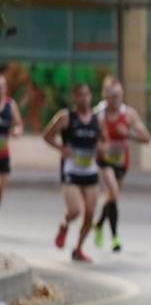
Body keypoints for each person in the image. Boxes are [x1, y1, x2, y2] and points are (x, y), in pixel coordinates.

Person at [42, 84, 106, 262]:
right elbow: (46, 135)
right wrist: (61, 148)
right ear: (74, 98)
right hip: (71, 172)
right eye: (80, 96)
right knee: (76, 210)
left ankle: (78, 248)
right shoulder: (65, 118)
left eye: (87, 95)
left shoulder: (96, 120)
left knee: (90, 214)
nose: (84, 99)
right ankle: (64, 225)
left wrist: (101, 149)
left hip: (90, 172)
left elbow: (104, 141)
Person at [93, 78, 151, 252]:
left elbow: (147, 138)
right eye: (111, 96)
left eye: (118, 96)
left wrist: (129, 134)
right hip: (104, 161)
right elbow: (88, 135)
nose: (114, 100)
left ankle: (98, 224)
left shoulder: (129, 114)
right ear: (104, 95)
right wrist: (100, 144)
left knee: (112, 197)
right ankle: (115, 237)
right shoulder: (98, 114)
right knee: (114, 193)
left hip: (121, 162)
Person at [0, 75, 25, 208]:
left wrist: (17, 131)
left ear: (5, 88)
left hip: (3, 155)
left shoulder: (10, 105)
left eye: (2, 86)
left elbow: (19, 124)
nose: (0, 89)